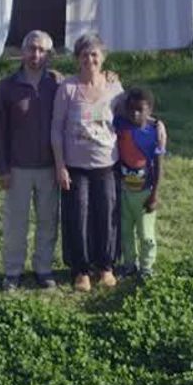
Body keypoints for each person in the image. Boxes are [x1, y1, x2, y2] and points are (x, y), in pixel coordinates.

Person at [52, 33, 124, 292]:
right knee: (77, 215)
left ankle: (106, 267)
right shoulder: (68, 89)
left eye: (94, 54)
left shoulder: (115, 87)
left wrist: (156, 124)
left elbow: (128, 120)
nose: (89, 59)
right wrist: (60, 165)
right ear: (76, 59)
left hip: (106, 164)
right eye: (84, 54)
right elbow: (56, 129)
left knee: (107, 213)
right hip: (75, 167)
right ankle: (81, 270)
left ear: (102, 58)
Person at [0, 30, 62, 291]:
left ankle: (43, 268)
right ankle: (13, 271)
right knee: (15, 224)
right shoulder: (6, 87)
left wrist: (111, 78)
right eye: (32, 48)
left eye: (42, 50)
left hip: (49, 168)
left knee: (48, 221)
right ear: (22, 51)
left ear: (49, 54)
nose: (36, 55)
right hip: (18, 168)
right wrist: (2, 168)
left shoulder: (57, 83)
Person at [114, 87, 166, 280]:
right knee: (125, 231)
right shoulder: (120, 125)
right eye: (131, 109)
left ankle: (146, 267)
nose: (134, 113)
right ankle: (129, 265)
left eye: (140, 110)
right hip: (124, 192)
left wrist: (155, 194)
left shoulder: (154, 133)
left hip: (145, 194)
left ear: (149, 110)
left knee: (146, 234)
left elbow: (160, 164)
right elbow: (96, 113)